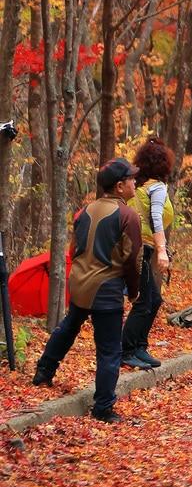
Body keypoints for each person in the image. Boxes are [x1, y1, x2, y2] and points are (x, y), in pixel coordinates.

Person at [32, 159, 142, 423]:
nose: (135, 182)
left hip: (80, 282)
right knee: (109, 349)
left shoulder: (83, 212)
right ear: (119, 186)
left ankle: (43, 372)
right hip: (106, 288)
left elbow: (73, 250)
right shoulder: (128, 216)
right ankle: (103, 407)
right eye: (131, 179)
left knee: (70, 325)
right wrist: (134, 291)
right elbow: (132, 259)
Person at [121, 138, 176, 370]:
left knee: (154, 299)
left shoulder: (139, 187)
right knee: (145, 301)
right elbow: (155, 218)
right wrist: (162, 250)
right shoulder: (157, 187)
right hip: (142, 250)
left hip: (136, 249)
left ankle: (139, 346)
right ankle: (126, 350)